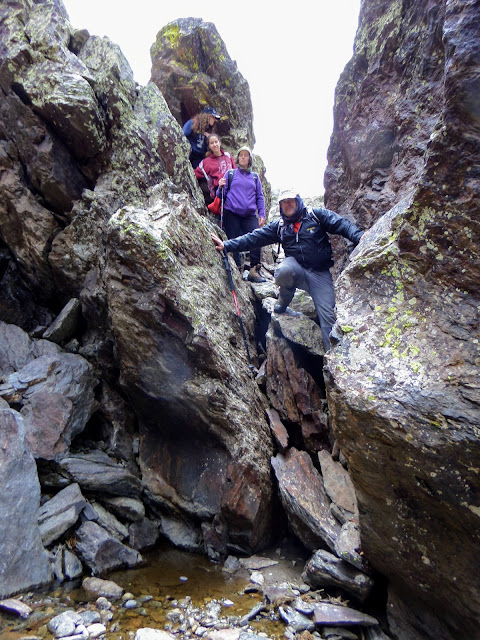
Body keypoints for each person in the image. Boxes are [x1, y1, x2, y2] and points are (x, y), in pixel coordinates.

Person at [210, 188, 364, 350]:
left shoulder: (315, 215)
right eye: (284, 202)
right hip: (295, 269)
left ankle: (334, 359)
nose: (288, 205)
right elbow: (253, 238)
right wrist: (227, 245)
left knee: (328, 318)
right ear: (280, 206)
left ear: (298, 201)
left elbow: (341, 224)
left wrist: (359, 236)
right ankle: (284, 300)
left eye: (291, 201)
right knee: (283, 271)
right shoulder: (280, 226)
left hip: (319, 273)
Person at [216, 146, 266, 283]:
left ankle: (254, 270)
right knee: (234, 239)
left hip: (249, 213)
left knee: (258, 237)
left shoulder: (255, 177)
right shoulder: (230, 174)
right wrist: (220, 186)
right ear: (238, 158)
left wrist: (261, 213)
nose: (243, 157)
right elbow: (221, 195)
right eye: (241, 155)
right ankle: (237, 268)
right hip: (232, 211)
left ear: (249, 159)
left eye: (246, 155)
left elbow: (260, 197)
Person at [194, 134, 236, 204]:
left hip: (233, 187)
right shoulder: (206, 162)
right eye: (212, 143)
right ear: (209, 146)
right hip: (220, 191)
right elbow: (195, 174)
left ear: (220, 143)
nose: (214, 144)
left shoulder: (227, 155)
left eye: (216, 142)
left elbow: (236, 170)